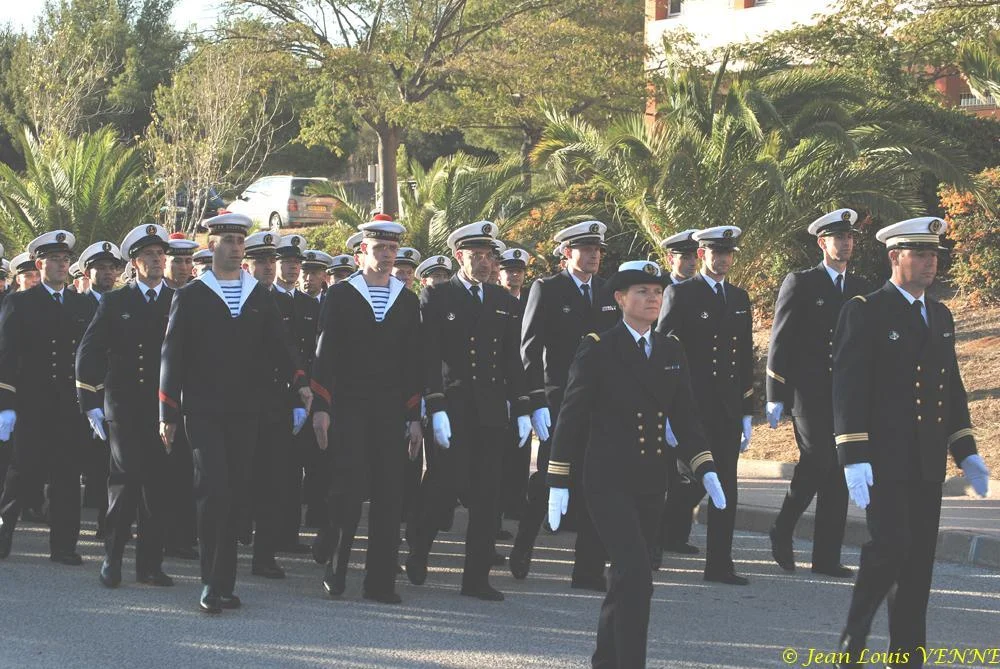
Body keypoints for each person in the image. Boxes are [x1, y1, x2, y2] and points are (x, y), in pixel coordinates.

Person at [547, 260, 726, 669]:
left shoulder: (669, 349)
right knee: (635, 572)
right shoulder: (598, 346)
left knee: (632, 580)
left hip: (650, 479)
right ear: (619, 298)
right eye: (642, 291)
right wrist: (557, 478)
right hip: (607, 479)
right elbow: (572, 415)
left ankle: (605, 661)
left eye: (657, 292)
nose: (652, 299)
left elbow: (685, 415)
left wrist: (706, 467)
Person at [833, 217, 990, 668]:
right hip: (880, 458)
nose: (930, 263)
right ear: (894, 258)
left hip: (924, 460)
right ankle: (854, 634)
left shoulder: (940, 315)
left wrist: (966, 450)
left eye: (934, 255)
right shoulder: (866, 309)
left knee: (918, 559)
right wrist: (853, 455)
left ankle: (907, 654)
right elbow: (848, 386)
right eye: (920, 254)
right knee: (890, 546)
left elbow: (951, 388)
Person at [158, 213, 310, 614]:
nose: (236, 246)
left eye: (240, 239)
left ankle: (225, 583)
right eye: (227, 239)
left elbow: (281, 345)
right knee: (214, 490)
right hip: (204, 411)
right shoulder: (190, 295)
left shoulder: (259, 295)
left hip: (246, 412)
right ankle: (209, 583)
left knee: (236, 494)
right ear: (211, 246)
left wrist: (302, 383)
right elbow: (172, 357)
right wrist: (167, 411)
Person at [405, 221, 532, 601]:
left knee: (487, 495)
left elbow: (512, 359)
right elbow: (429, 356)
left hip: (492, 410)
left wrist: (523, 406)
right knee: (444, 485)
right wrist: (435, 403)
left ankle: (475, 578)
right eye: (474, 255)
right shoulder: (438, 297)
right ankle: (420, 547)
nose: (482, 262)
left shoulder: (503, 302)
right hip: (455, 407)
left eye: (487, 255)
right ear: (460, 256)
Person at [311, 218, 422, 603]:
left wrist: (413, 417)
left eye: (392, 249)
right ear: (363, 252)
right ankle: (337, 569)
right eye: (380, 249)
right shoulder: (340, 295)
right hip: (350, 407)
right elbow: (324, 356)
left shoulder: (407, 299)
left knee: (390, 494)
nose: (387, 256)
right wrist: (322, 407)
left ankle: (379, 583)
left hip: (390, 409)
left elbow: (413, 364)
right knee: (348, 490)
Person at [510, 221, 620, 589]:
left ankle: (586, 570)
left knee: (596, 479)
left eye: (597, 250)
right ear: (566, 253)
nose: (593, 255)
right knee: (548, 477)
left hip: (599, 400)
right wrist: (535, 400)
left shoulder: (607, 292)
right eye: (586, 249)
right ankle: (524, 545)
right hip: (558, 399)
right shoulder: (547, 288)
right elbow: (529, 348)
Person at [766, 209, 871, 577]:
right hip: (808, 393)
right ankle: (782, 527)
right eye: (838, 237)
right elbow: (780, 339)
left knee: (838, 469)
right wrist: (774, 393)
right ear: (821, 242)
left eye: (850, 237)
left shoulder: (861, 289)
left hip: (844, 395)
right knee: (818, 460)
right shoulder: (802, 282)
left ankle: (826, 558)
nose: (845, 243)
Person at [76, 224, 176, 588]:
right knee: (127, 481)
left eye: (160, 254)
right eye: (149, 255)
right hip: (123, 406)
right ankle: (112, 557)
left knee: (157, 487)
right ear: (135, 262)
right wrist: (90, 402)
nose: (157, 259)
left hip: (163, 410)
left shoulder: (178, 299)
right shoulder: (116, 302)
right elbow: (88, 352)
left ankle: (150, 565)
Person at [656, 225, 754, 586]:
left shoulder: (739, 298)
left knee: (726, 484)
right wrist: (666, 409)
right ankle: (657, 540)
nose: (724, 259)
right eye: (716, 253)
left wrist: (748, 409)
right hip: (690, 408)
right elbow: (664, 352)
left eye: (728, 253)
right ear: (702, 256)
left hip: (727, 409)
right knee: (685, 479)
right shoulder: (680, 295)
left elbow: (744, 356)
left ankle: (719, 565)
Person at [0, 230, 98, 565]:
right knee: (20, 474)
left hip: (68, 407)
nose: (61, 265)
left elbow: (91, 355)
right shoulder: (21, 302)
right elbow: (7, 356)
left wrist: (93, 403)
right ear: (40, 264)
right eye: (54, 260)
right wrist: (6, 405)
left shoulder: (81, 303)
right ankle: (2, 536)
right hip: (32, 405)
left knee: (67, 477)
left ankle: (64, 546)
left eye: (65, 260)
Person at [241, 231, 308, 579]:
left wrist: (300, 393)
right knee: (237, 479)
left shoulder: (277, 302)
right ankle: (235, 536)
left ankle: (264, 554)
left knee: (272, 480)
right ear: (246, 264)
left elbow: (289, 352)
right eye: (262, 262)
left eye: (272, 261)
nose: (268, 268)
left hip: (273, 404)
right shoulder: (234, 297)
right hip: (236, 405)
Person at [76, 240, 126, 538]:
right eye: (101, 268)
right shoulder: (77, 304)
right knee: (89, 465)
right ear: (87, 272)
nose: (108, 274)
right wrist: (87, 396)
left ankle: (106, 525)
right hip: (85, 394)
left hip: (116, 394)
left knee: (112, 465)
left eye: (112, 268)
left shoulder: (123, 302)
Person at [497, 248, 531, 532]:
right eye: (509, 270)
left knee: (521, 445)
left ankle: (516, 501)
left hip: (525, 380)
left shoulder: (531, 300)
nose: (514, 275)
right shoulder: (493, 301)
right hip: (498, 382)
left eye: (518, 271)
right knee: (500, 448)